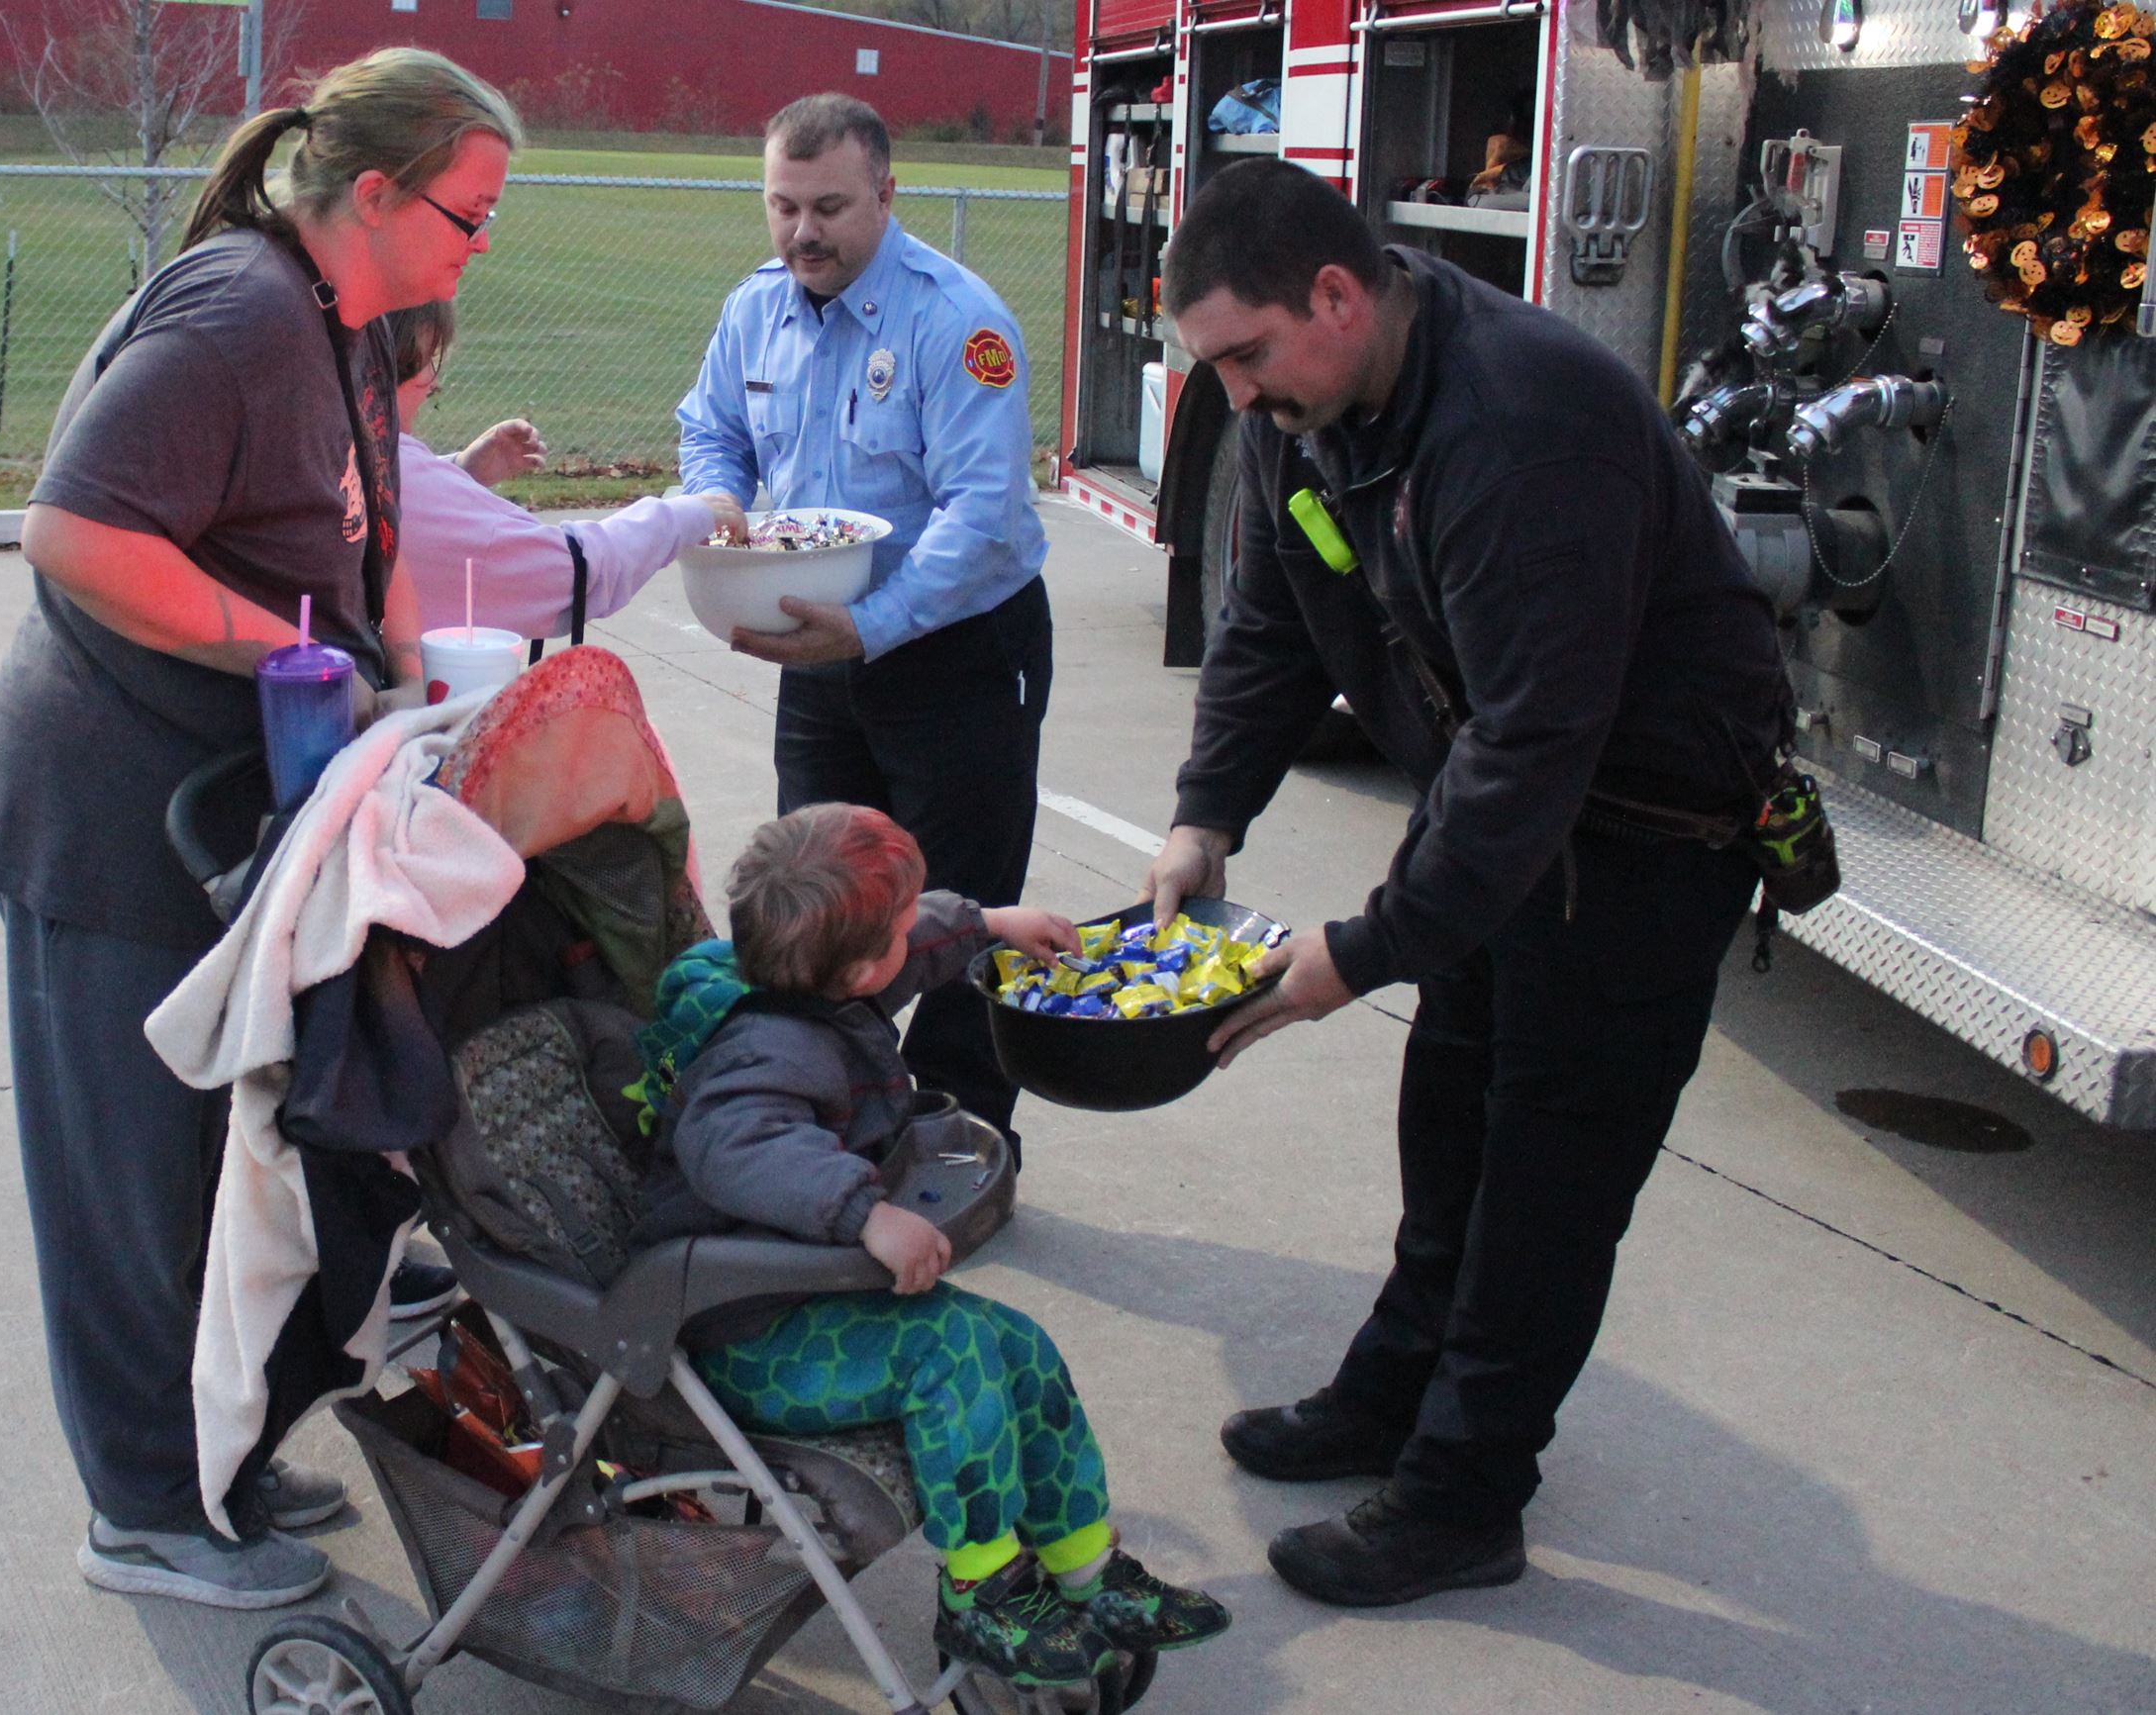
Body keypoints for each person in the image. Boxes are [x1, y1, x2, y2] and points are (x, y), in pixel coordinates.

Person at [1141, 161, 1794, 1607]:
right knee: (1452, 1128)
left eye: (1246, 356)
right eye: (1215, 368)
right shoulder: (1307, 413)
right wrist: (1207, 818)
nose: (1236, 399)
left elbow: (1534, 742)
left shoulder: (1518, 428)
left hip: (1639, 846)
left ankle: (1462, 1495)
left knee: (1545, 1183)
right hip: (1511, 828)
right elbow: (1273, 624)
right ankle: (1391, 1398)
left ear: (1336, 293)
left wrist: (1355, 954)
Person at [0, 48, 522, 1610]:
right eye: (469, 217)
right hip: (107, 823)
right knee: (129, 1187)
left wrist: (405, 678)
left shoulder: (345, 329)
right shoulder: (238, 315)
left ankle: (208, 1454)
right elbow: (69, 529)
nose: (483, 246)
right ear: (373, 195)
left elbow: (371, 528)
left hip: (224, 824)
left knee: (213, 1172)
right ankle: (141, 1510)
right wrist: (279, 645)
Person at [630, 804, 1231, 1687]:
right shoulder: (769, 1048)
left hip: (813, 1297)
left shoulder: (831, 981)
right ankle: (982, 1586)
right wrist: (864, 1211)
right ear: (862, 966)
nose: (918, 933)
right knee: (951, 1355)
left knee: (1018, 1344)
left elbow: (913, 944)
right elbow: (738, 1148)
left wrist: (991, 923)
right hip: (743, 1328)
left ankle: (1086, 1565)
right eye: (905, 923)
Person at [676, 94, 1051, 1158]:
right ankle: (832, 1117)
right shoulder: (755, 309)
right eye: (782, 206)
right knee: (822, 909)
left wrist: (869, 623)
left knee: (962, 905)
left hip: (957, 649)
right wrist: (722, 508)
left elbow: (983, 518)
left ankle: (964, 1133)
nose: (802, 232)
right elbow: (709, 426)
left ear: (887, 195)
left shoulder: (956, 322)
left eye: (830, 207)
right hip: (818, 646)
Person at [383, 300, 743, 638]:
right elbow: (573, 575)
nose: (432, 382)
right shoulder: (390, 473)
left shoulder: (346, 451)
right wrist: (681, 517)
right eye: (423, 362)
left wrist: (458, 474)